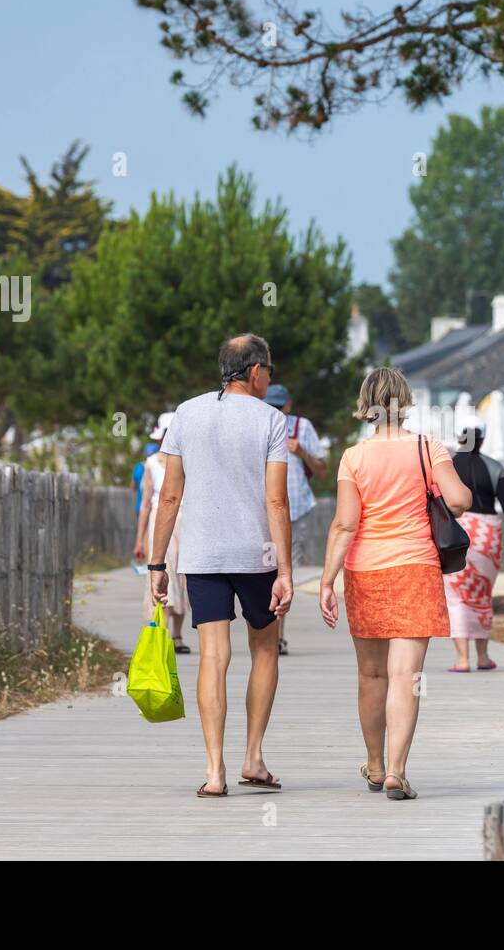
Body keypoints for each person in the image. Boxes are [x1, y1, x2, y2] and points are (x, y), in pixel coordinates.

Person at [149, 333, 294, 798]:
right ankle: (254, 756)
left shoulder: (185, 414)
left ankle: (215, 772)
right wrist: (286, 570)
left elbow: (169, 495)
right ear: (255, 371)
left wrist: (157, 563)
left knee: (214, 655)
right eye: (269, 370)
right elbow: (277, 500)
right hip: (258, 556)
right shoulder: (271, 420)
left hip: (202, 555)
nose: (271, 379)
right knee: (265, 650)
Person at [319, 368, 471, 800]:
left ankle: (374, 763)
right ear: (405, 401)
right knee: (406, 676)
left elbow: (345, 524)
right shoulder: (428, 447)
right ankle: (397, 772)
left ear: (365, 404)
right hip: (415, 568)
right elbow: (460, 501)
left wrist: (327, 581)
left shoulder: (353, 457)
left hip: (366, 572)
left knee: (371, 674)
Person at [443, 421, 504, 672]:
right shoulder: (494, 467)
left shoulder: (446, 467)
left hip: (455, 531)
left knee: (456, 596)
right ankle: (483, 657)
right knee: (482, 594)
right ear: (482, 439)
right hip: (488, 534)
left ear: (459, 438)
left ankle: (462, 659)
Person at [263, 383, 328, 656]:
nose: (276, 411)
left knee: (283, 573)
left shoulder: (302, 428)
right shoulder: (258, 424)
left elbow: (323, 470)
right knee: (265, 572)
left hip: (295, 510)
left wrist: (301, 451)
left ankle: (277, 634)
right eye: (271, 406)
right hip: (262, 509)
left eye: (279, 406)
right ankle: (268, 632)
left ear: (288, 405)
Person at [134, 413, 188, 653]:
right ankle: (161, 632)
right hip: (159, 521)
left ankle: (177, 634)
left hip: (185, 520)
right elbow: (145, 503)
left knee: (182, 575)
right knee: (159, 571)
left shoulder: (189, 461)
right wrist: (140, 539)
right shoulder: (151, 463)